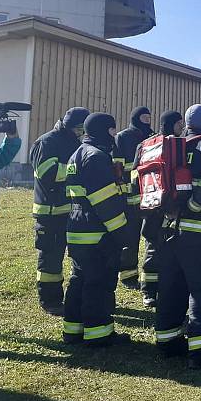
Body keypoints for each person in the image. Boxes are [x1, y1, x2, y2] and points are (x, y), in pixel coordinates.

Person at [154, 104, 201, 368]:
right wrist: (194, 208)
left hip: (169, 230)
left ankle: (167, 341)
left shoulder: (172, 147)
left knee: (171, 287)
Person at [63, 113, 131, 347]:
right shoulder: (97, 157)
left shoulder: (76, 154)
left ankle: (73, 330)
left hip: (77, 228)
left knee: (79, 280)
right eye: (112, 131)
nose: (114, 135)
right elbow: (105, 202)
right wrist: (121, 232)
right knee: (98, 283)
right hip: (97, 233)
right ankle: (98, 335)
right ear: (105, 130)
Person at [30, 107, 89, 315]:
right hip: (50, 212)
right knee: (51, 260)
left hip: (70, 211)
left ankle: (74, 297)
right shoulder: (47, 141)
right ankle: (50, 301)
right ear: (71, 125)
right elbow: (46, 172)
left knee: (75, 256)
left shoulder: (75, 141)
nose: (81, 134)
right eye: (80, 129)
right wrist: (77, 169)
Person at [136, 110, 183, 307]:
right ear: (171, 124)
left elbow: (134, 176)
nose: (182, 127)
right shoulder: (174, 144)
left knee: (154, 248)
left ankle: (152, 291)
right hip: (167, 206)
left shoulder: (145, 145)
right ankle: (150, 290)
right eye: (179, 123)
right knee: (157, 249)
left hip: (151, 204)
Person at [113, 106, 154, 289]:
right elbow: (117, 167)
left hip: (150, 195)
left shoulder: (152, 137)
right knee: (130, 238)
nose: (147, 121)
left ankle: (149, 275)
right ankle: (128, 276)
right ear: (135, 118)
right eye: (144, 117)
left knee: (150, 236)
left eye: (149, 118)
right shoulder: (123, 137)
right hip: (130, 197)